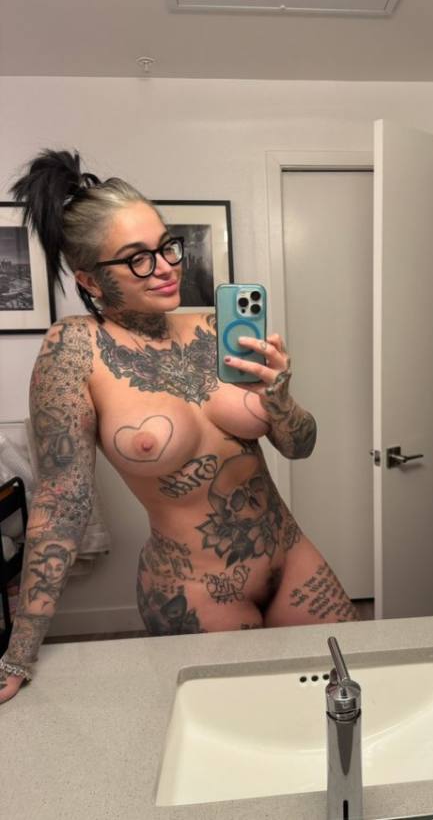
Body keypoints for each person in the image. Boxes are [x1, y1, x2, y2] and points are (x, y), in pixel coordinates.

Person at [0, 150, 357, 703]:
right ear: (91, 280)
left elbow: (299, 446)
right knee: (241, 728)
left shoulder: (215, 327)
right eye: (138, 259)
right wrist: (19, 650)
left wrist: (281, 400)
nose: (166, 267)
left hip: (293, 560)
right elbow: (62, 502)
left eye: (167, 246)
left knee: (351, 700)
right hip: (197, 591)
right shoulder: (73, 350)